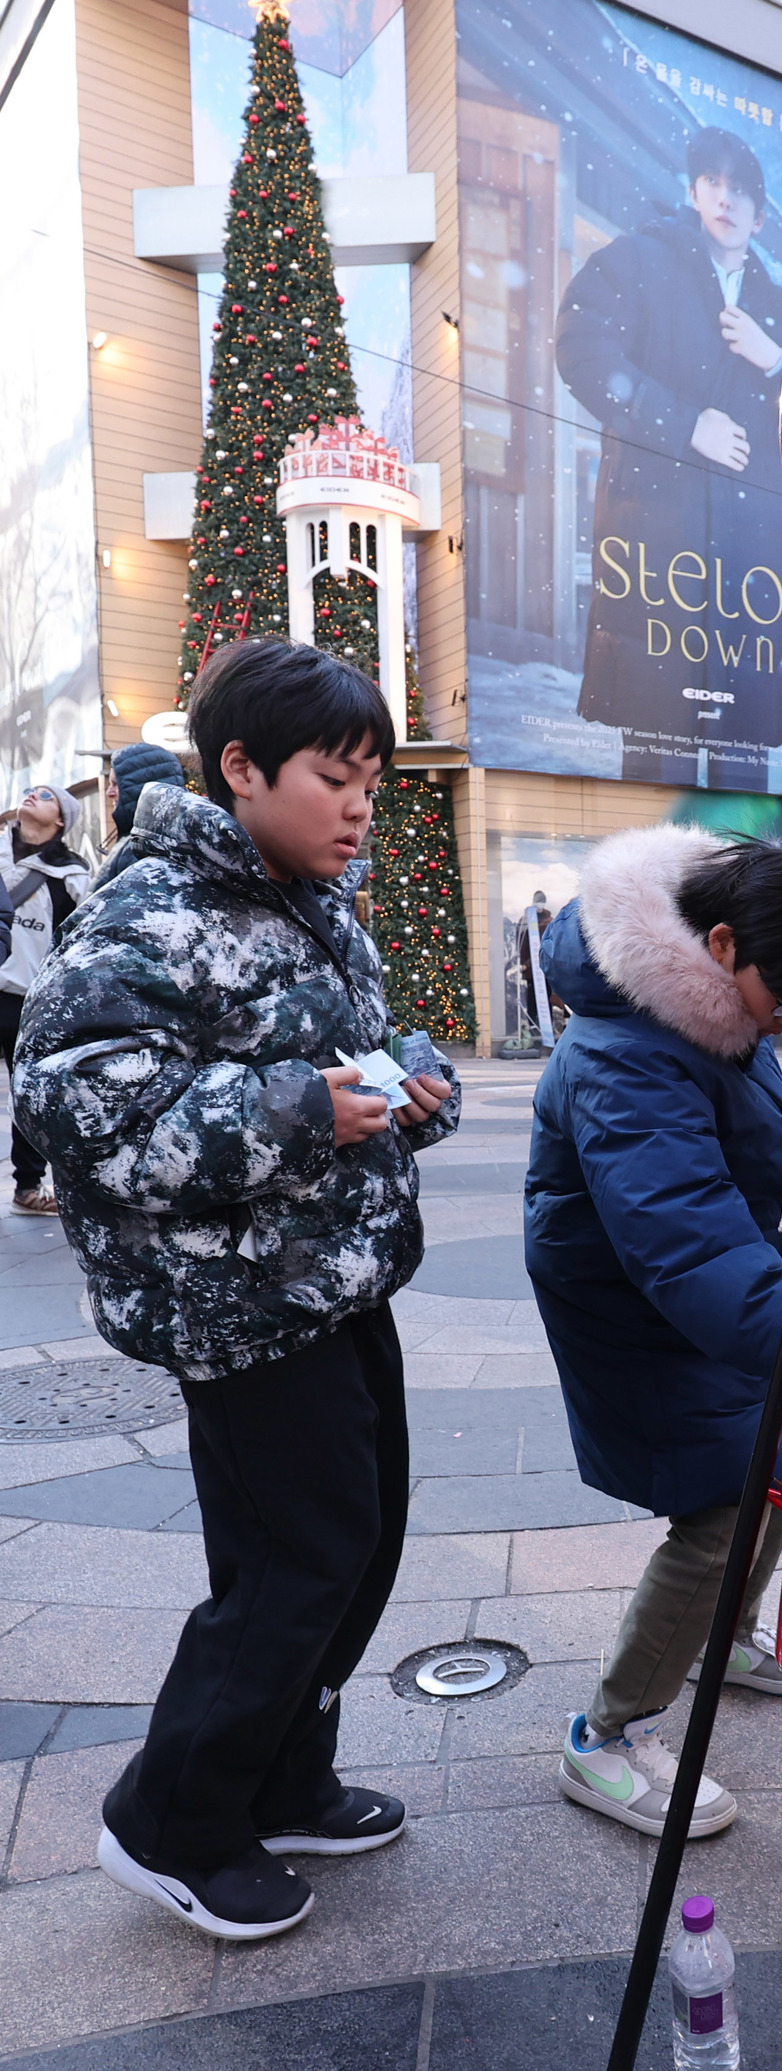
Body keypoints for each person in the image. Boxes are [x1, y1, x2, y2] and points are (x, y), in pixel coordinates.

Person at [13, 639, 460, 1941]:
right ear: (241, 767)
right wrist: (303, 1106)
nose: (362, 802)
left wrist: (402, 1079)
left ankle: (285, 1776)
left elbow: (333, 1062)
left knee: (355, 1548)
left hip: (335, 1279)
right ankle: (173, 1820)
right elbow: (78, 1102)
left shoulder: (305, 892)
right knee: (292, 1565)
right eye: (337, 774)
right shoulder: (151, 905)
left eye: (374, 776)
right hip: (240, 1305)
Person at [525, 826, 782, 1837]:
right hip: (646, 1316)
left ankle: (718, 1639)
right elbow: (682, 1239)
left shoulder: (707, 1016)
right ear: (716, 945)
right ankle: (606, 1735)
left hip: (725, 1303)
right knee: (718, 1516)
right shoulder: (626, 1052)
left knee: (775, 1472)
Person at [556, 127, 782, 791]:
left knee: (747, 795)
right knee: (661, 782)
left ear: (761, 212)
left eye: (742, 188)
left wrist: (776, 359)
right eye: (714, 181)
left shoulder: (778, 306)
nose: (726, 199)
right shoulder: (638, 260)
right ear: (693, 189)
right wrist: (687, 425)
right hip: (658, 542)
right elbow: (580, 347)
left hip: (745, 564)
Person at [0, 783, 91, 1214]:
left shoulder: (73, 876)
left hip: (28, 1000)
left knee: (28, 1093)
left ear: (61, 821)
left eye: (47, 794)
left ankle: (27, 1186)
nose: (32, 795)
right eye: (30, 790)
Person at [96, 741, 186, 884]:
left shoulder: (142, 847)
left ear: (140, 789)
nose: (109, 793)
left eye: (115, 784)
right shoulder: (171, 841)